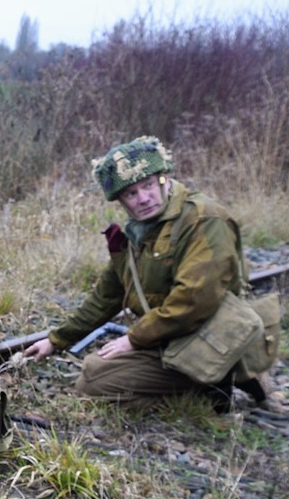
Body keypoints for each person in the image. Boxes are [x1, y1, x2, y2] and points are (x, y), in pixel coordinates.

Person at [22, 136, 264, 410]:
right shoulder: (140, 230)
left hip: (204, 336)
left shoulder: (204, 220)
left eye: (148, 185)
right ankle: (214, 377)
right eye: (131, 194)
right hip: (171, 333)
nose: (143, 199)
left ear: (164, 179)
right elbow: (107, 295)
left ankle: (205, 392)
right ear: (121, 201)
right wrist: (57, 340)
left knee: (93, 382)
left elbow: (193, 300)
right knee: (94, 369)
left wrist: (133, 340)